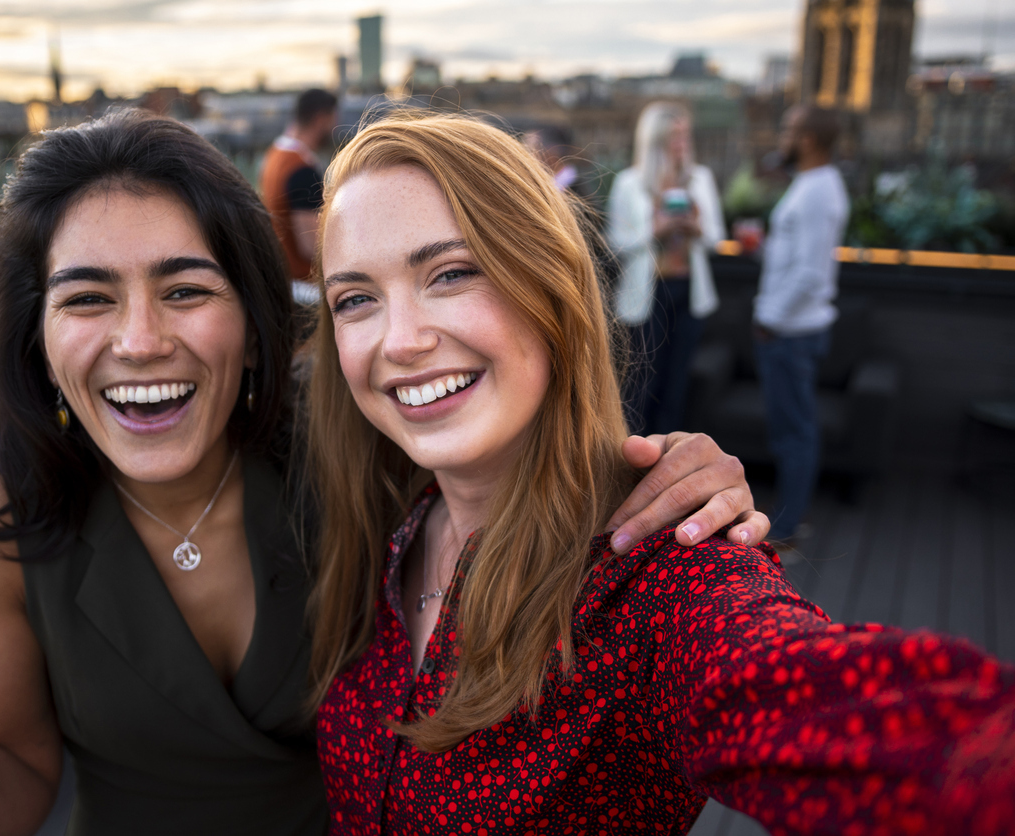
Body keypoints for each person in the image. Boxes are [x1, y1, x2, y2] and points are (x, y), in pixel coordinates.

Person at [0, 109, 773, 836]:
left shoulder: (351, 446)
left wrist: (675, 476)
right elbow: (9, 773)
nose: (139, 341)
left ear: (251, 320)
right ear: (38, 342)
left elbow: (503, 413)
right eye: (87, 298)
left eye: (187, 290)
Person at [306, 112, 1015, 835]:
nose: (400, 340)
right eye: (356, 298)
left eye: (451, 273)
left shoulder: (653, 578)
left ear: (552, 284)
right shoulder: (382, 520)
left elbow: (848, 714)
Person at [754, 105, 849, 545]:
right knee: (790, 428)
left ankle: (788, 529)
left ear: (808, 139)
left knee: (794, 433)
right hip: (788, 329)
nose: (783, 135)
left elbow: (811, 272)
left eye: (789, 129)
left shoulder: (817, 192)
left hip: (790, 333)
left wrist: (769, 320)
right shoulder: (812, 186)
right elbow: (797, 259)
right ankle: (789, 520)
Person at [609, 102, 725, 435]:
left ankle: (667, 465)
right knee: (641, 383)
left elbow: (716, 239)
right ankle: (631, 461)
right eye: (675, 135)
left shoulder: (700, 178)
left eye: (685, 135)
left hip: (689, 292)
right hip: (647, 296)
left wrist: (696, 228)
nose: (682, 143)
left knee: (678, 384)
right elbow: (615, 243)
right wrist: (654, 231)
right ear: (654, 138)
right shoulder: (629, 183)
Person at [261, 88, 339, 283]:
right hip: (305, 284)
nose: (334, 127)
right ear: (321, 119)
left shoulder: (275, 154)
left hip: (284, 277)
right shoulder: (301, 168)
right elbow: (310, 245)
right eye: (333, 120)